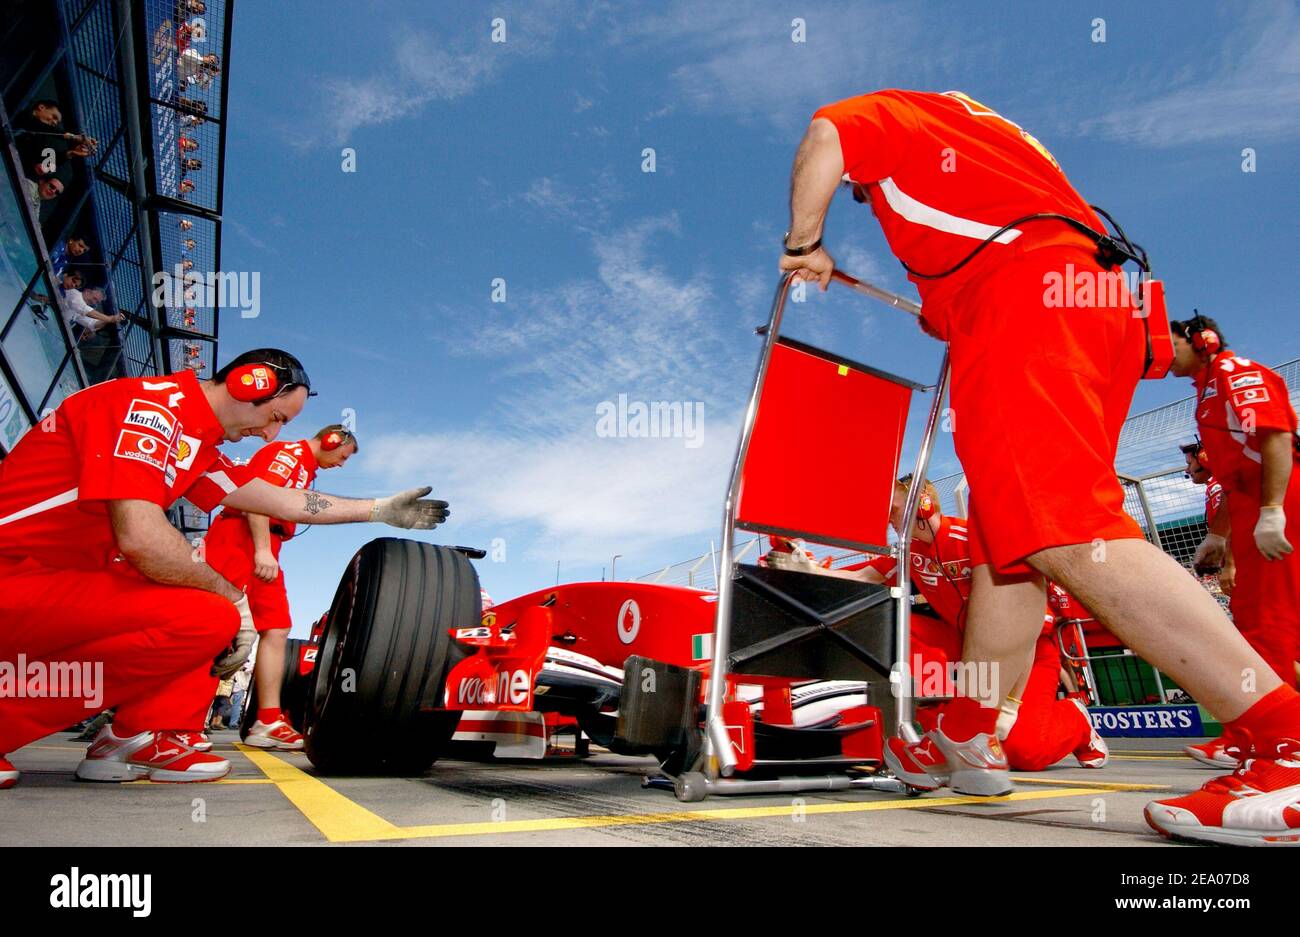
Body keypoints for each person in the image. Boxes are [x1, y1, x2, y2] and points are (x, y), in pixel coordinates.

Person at [781, 89, 1300, 844]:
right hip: (1092, 302)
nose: (865, 198)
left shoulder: (895, 115)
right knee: (1011, 544)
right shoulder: (998, 151)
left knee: (1065, 523)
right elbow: (988, 244)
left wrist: (804, 242)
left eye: (861, 193)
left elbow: (825, 134)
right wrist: (950, 306)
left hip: (1026, 299)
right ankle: (965, 731)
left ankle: (1285, 739)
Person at [0, 349, 450, 788]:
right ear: (248, 383)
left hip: (46, 583)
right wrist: (234, 598)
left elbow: (283, 500)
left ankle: (135, 735)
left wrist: (377, 509)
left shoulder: (194, 443)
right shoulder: (148, 408)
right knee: (209, 612)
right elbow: (140, 538)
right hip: (15, 572)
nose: (270, 436)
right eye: (276, 418)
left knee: (199, 608)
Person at [768, 476, 1106, 771]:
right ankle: (940, 718)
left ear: (924, 505)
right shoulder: (908, 552)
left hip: (1028, 650)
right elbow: (859, 576)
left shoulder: (975, 539)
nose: (890, 520)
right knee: (896, 624)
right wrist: (807, 568)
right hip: (966, 645)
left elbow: (1026, 629)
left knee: (1023, 751)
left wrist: (1010, 706)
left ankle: (1076, 721)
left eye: (895, 510)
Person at [1171, 316, 1300, 761]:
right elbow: (1232, 476)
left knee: (1268, 625)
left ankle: (1272, 742)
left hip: (1281, 498)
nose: (1158, 350)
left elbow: (1277, 437)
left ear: (1201, 340)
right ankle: (1249, 736)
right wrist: (1217, 534)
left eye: (1168, 341)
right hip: (1252, 505)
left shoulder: (1234, 372)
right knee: (1258, 622)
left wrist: (1272, 510)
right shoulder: (1206, 390)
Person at [202, 425, 359, 751]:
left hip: (267, 546)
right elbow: (257, 496)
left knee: (276, 627)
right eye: (342, 456)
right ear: (330, 440)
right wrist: (260, 549)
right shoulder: (288, 456)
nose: (341, 465)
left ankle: (268, 719)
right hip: (241, 541)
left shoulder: (304, 467)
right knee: (216, 625)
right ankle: (174, 722)